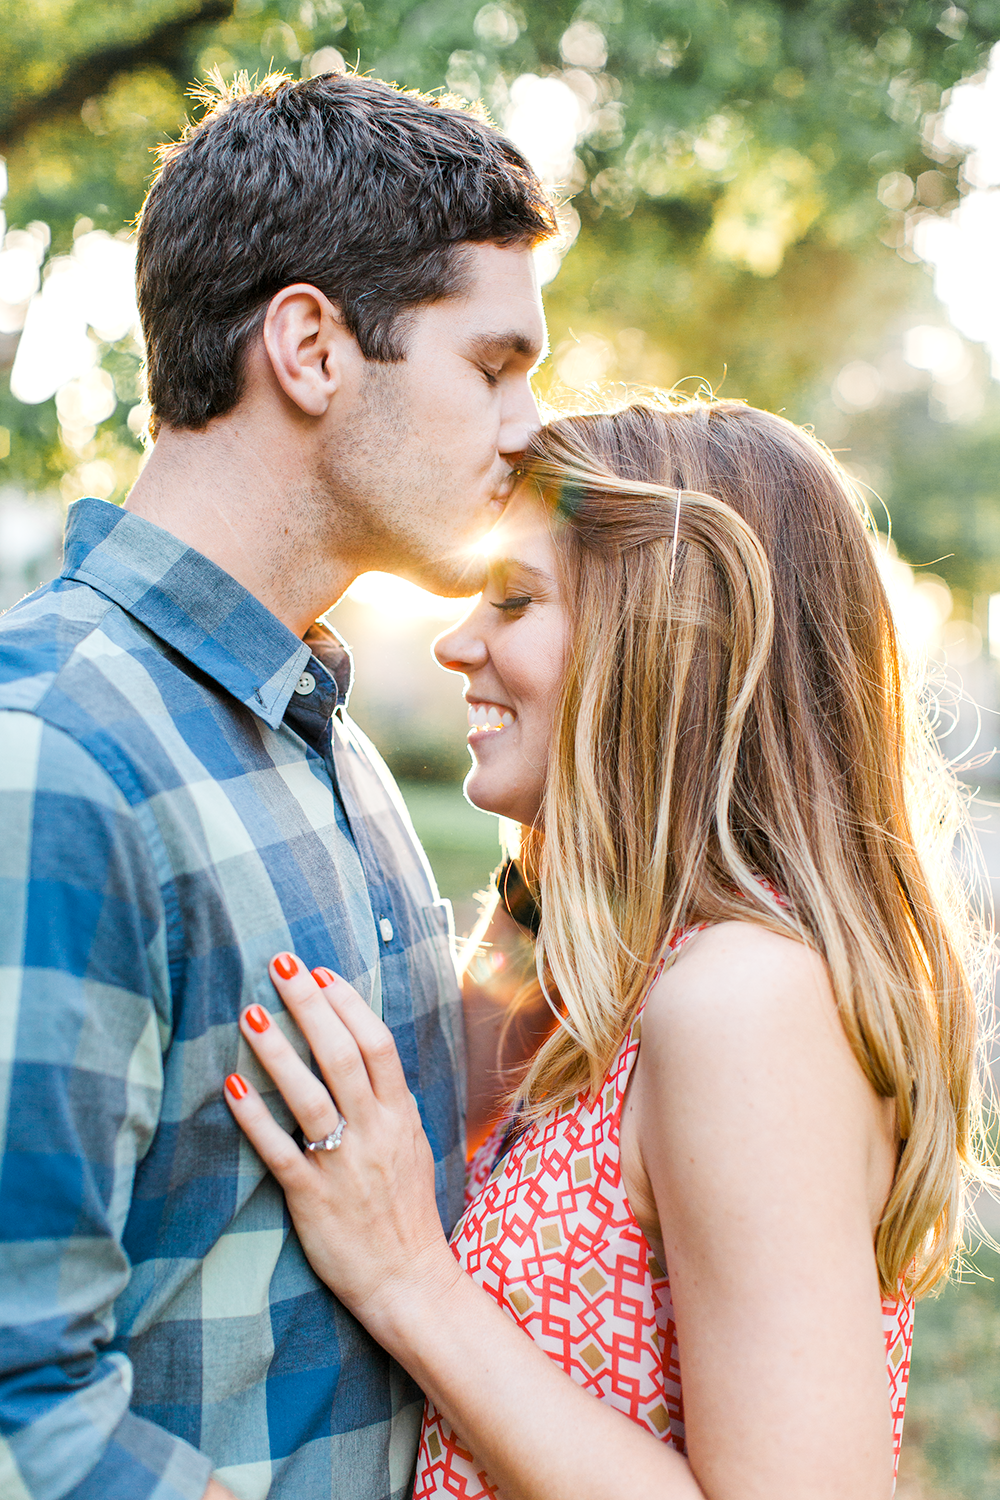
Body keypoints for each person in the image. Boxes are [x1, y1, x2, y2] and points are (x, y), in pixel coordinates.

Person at [225, 398, 993, 1500]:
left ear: (664, 639)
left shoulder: (746, 1001)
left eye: (515, 599)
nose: (455, 640)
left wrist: (410, 1283)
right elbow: (448, 1090)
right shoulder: (629, 961)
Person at [0, 71, 554, 1500]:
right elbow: (24, 1414)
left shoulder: (320, 734)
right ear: (309, 344)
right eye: (492, 365)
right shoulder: (54, 757)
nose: (527, 426)